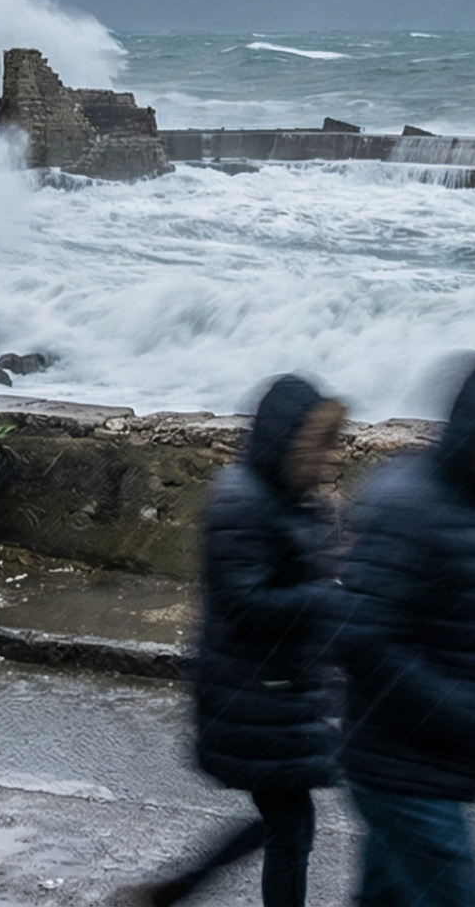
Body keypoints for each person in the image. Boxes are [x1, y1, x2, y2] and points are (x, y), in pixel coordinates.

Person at [134, 375, 349, 907]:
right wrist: (327, 598)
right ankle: (178, 887)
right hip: (252, 694)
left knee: (285, 822)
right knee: (291, 825)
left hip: (278, 693)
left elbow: (306, 579)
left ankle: (179, 887)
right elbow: (246, 605)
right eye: (319, 445)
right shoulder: (241, 501)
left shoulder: (292, 499)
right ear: (290, 442)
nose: (328, 459)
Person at [336, 354, 475, 907]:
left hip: (419, 761)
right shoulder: (414, 508)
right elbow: (363, 638)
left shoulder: (466, 507)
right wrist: (463, 711)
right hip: (403, 767)